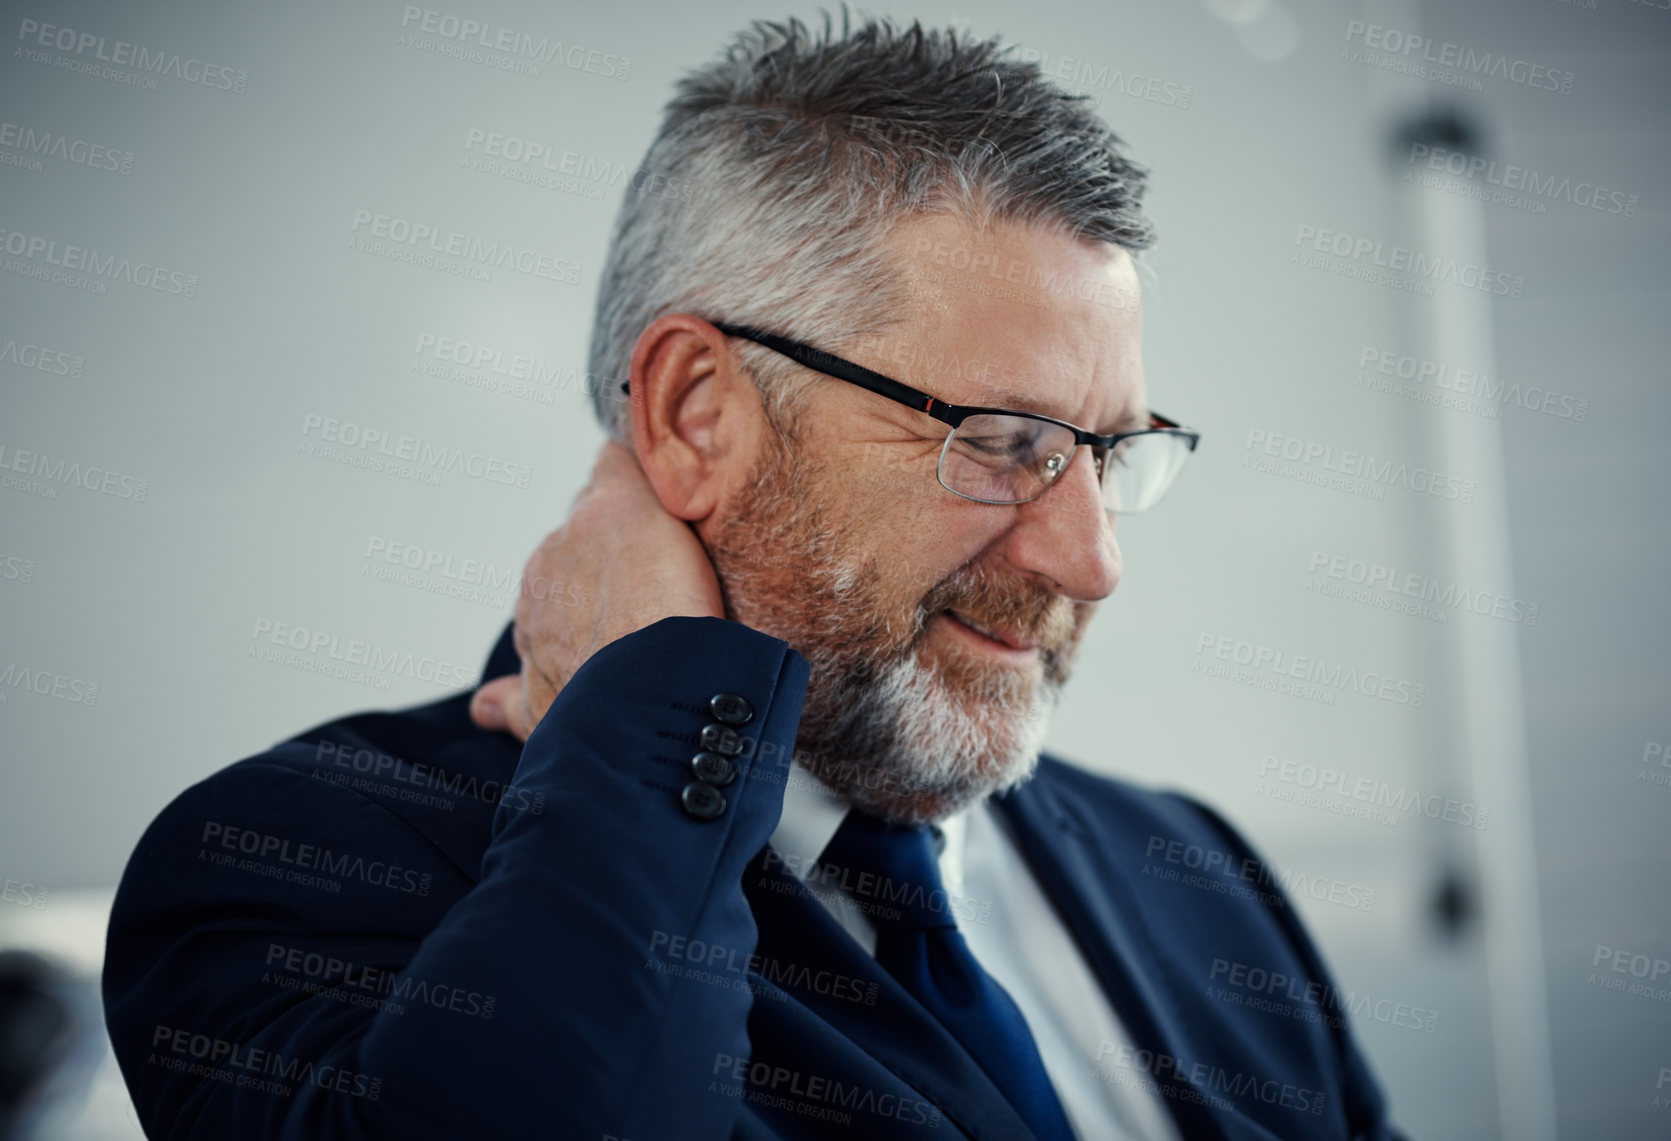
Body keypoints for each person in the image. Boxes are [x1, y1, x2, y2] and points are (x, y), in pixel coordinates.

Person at [103, 15, 1407, 1140]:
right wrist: (651, 707)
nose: (1093, 559)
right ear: (694, 414)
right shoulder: (293, 870)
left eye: (1111, 455)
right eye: (1004, 445)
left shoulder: (1191, 870)